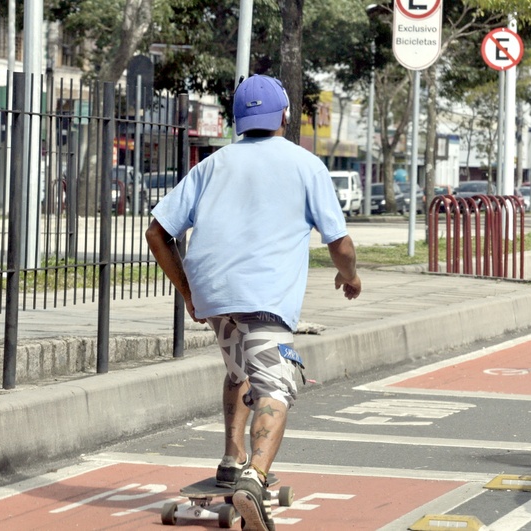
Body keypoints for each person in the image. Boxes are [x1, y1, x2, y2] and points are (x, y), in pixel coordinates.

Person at [145, 74, 361, 531]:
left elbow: (157, 233)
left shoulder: (211, 165)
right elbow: (339, 243)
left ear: (239, 120)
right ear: (284, 115)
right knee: (276, 387)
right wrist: (350, 277)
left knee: (240, 372)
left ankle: (232, 458)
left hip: (215, 298)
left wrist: (188, 293)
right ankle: (253, 480)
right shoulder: (306, 165)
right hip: (263, 300)